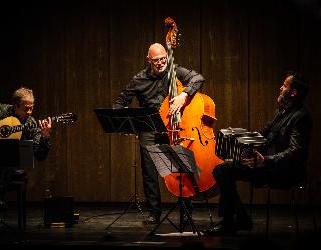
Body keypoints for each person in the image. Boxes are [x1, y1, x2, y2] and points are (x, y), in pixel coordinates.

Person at [204, 71, 312, 235]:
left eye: (284, 85)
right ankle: (238, 218)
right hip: (267, 166)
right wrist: (239, 137)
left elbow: (296, 151)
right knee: (222, 169)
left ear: (293, 92)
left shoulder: (300, 117)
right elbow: (263, 134)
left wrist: (266, 160)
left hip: (284, 171)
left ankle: (235, 221)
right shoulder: (281, 112)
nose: (280, 88)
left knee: (224, 171)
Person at [113, 43, 205, 224]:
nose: (161, 62)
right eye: (157, 60)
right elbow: (120, 102)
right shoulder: (138, 79)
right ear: (148, 60)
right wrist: (125, 123)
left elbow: (198, 78)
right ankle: (154, 213)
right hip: (150, 129)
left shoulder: (175, 71)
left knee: (181, 169)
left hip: (174, 127)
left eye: (164, 58)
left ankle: (186, 212)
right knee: (149, 172)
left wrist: (184, 95)